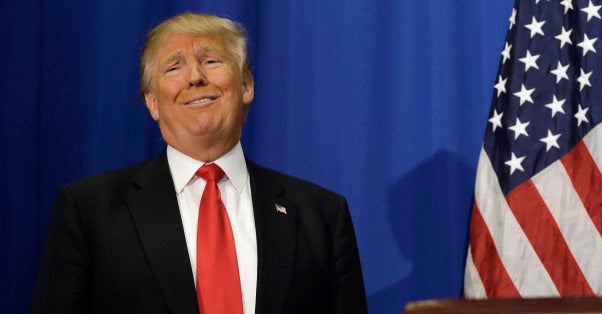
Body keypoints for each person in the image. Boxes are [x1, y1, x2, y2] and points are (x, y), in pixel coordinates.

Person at [31, 12, 367, 314]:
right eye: (174, 67)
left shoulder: (321, 214)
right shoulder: (90, 210)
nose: (194, 77)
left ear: (246, 85)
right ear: (152, 102)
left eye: (211, 61)